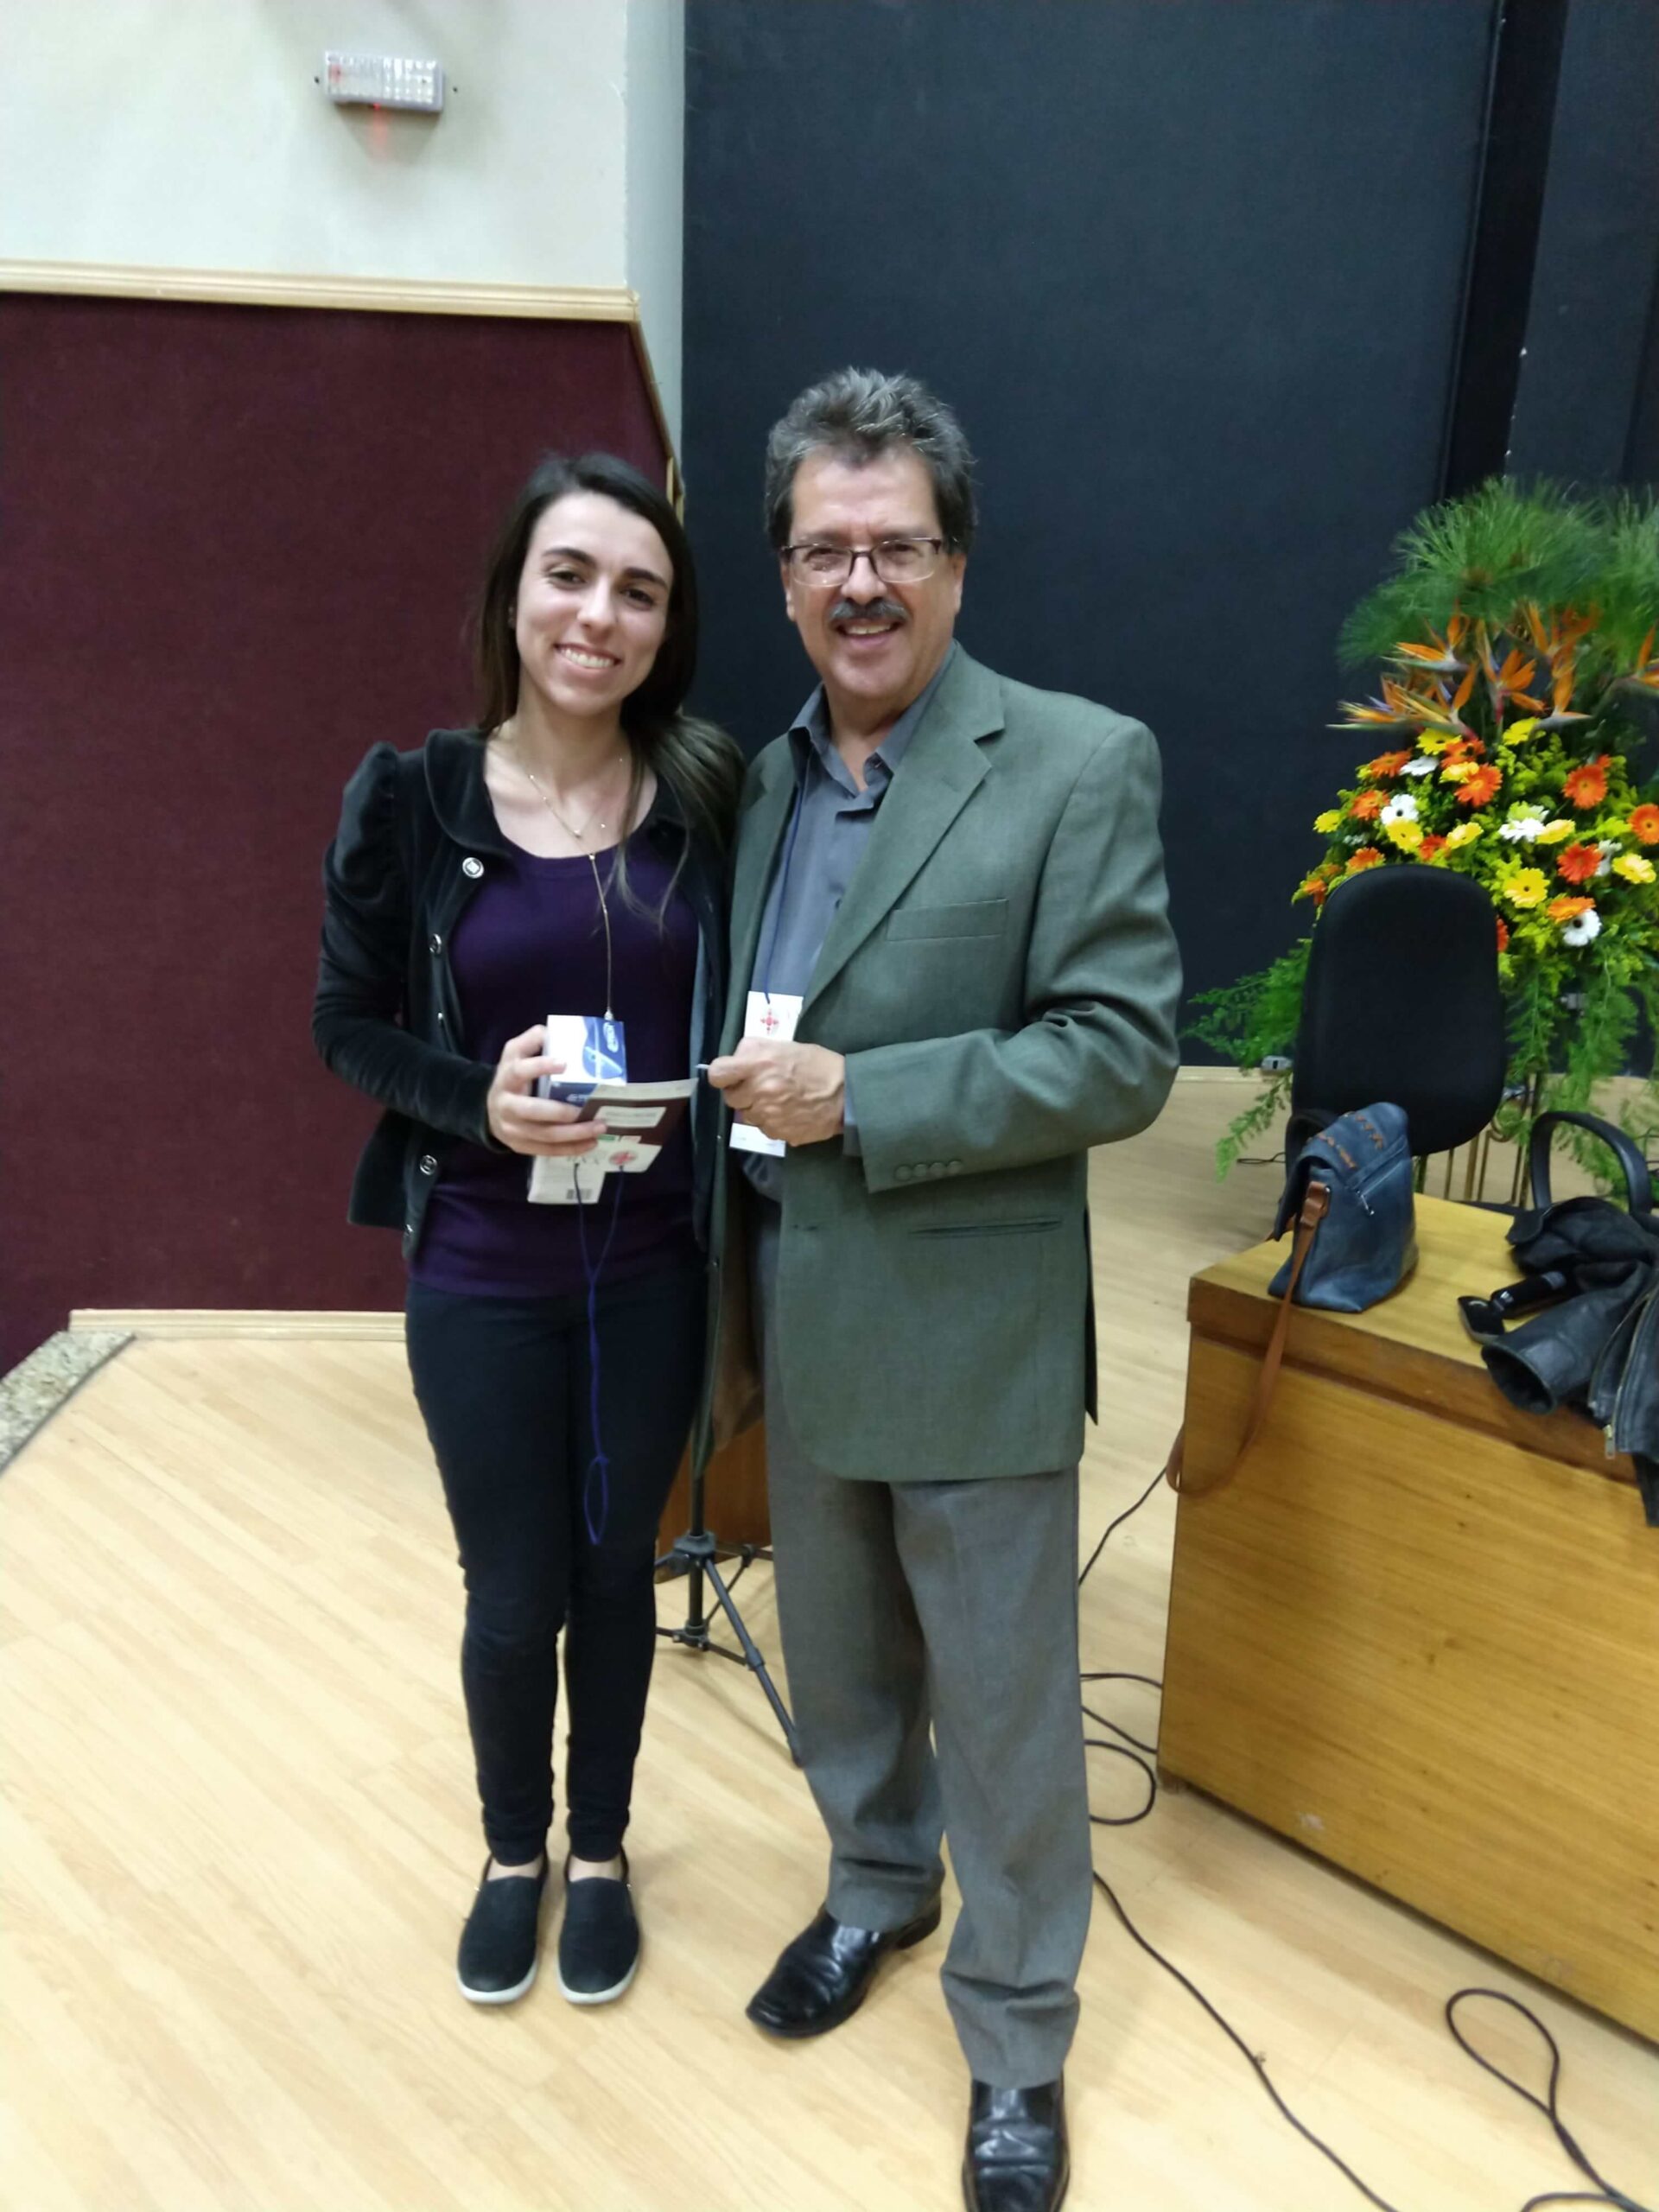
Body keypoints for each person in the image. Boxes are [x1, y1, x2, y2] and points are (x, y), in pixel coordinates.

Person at [706, 371, 1181, 2212]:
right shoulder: (759, 781)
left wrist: (865, 1097)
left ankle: (1019, 2032)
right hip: (796, 1296)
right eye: (827, 549)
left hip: (972, 1325)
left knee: (1001, 1705)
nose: (863, 582)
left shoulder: (1076, 759)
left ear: (958, 564)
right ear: (784, 575)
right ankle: (876, 1887)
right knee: (839, 1670)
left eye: (897, 545)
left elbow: (1120, 1050)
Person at [314, 452, 741, 2011]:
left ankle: (604, 1852)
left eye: (639, 591)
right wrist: (474, 1103)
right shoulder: (411, 796)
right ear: (513, 594)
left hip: (654, 1269)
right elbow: (345, 1022)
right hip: (482, 1269)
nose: (598, 616)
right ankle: (514, 1856)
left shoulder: (709, 795)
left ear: (667, 627)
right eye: (570, 575)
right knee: (513, 1589)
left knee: (616, 1571)